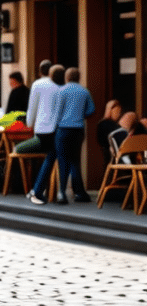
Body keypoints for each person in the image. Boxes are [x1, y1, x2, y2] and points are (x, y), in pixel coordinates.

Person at [52, 67, 95, 204]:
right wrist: (80, 116)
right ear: (79, 77)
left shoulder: (61, 91)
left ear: (67, 77)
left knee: (63, 161)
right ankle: (79, 193)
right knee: (75, 161)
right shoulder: (84, 91)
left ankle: (61, 193)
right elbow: (91, 110)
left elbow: (57, 112)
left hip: (63, 129)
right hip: (78, 129)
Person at [25, 60, 60, 204]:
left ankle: (36, 190)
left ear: (40, 71)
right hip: (55, 127)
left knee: (48, 156)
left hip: (40, 127)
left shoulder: (37, 84)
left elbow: (32, 107)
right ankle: (38, 191)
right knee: (51, 156)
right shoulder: (59, 85)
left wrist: (29, 123)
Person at [95, 99, 123, 164]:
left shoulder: (114, 124)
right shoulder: (106, 123)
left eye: (119, 112)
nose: (118, 114)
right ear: (110, 111)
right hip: (111, 153)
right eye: (117, 112)